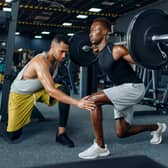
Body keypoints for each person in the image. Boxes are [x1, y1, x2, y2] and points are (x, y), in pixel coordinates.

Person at [78, 18, 167, 159]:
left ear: (105, 32)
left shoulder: (117, 50)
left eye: (95, 30)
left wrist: (154, 49)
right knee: (123, 132)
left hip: (133, 88)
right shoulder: (97, 52)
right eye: (90, 31)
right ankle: (157, 127)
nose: (91, 34)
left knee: (92, 100)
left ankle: (100, 146)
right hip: (122, 90)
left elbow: (142, 60)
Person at [6, 35, 95, 147]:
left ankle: (61, 133)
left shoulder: (57, 59)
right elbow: (52, 91)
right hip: (21, 94)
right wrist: (78, 103)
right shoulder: (40, 62)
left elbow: (78, 57)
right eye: (61, 51)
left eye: (66, 52)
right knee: (13, 135)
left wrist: (94, 50)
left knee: (63, 89)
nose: (64, 56)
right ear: (52, 47)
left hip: (40, 89)